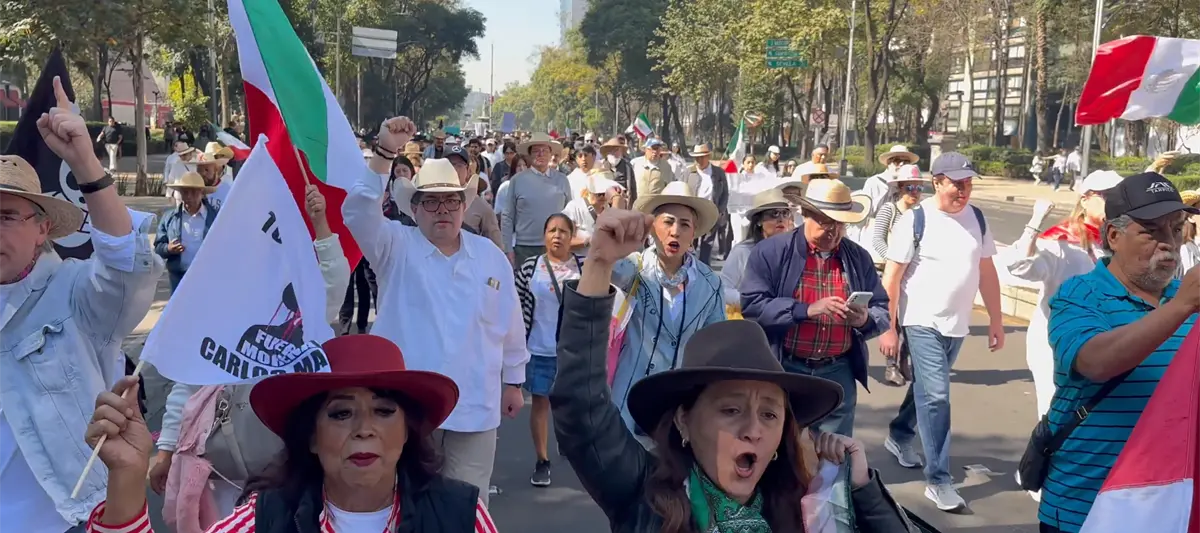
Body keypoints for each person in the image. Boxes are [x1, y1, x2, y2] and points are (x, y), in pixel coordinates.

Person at [550, 208, 911, 530]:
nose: (753, 430)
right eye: (731, 409)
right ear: (684, 421)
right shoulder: (646, 496)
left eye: (770, 414)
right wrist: (598, 264)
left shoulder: (807, 510)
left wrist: (862, 489)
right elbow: (581, 408)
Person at [82, 335, 500, 533]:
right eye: (340, 414)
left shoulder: (462, 516)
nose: (364, 429)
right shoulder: (265, 520)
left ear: (408, 432)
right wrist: (127, 476)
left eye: (384, 411)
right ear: (312, 438)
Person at [0, 76, 162, 531]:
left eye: (6, 216)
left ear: (43, 229)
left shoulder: (77, 295)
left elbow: (127, 265)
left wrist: (86, 162)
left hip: (67, 517)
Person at [343, 118, 528, 503]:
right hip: (409, 406)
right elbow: (358, 211)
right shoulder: (394, 245)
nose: (442, 209)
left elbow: (510, 323)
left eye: (451, 200)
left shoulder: (490, 258)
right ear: (414, 207)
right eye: (431, 200)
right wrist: (384, 151)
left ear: (464, 205)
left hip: (475, 402)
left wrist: (514, 380)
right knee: (404, 501)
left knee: (469, 505)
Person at [151, 185, 353, 521]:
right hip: (223, 476)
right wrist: (166, 449)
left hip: (291, 471)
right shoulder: (217, 311)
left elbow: (335, 278)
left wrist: (320, 225)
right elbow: (186, 388)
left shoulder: (306, 306)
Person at [1038, 172, 1200, 533]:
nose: (1169, 242)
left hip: (1165, 506)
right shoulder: (1079, 295)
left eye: (1176, 228)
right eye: (1152, 231)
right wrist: (1181, 307)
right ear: (1113, 235)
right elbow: (1095, 362)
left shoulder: (1186, 300)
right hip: (1086, 508)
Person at [878, 152, 1004, 512]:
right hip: (921, 320)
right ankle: (939, 480)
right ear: (937, 182)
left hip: (957, 323)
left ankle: (900, 434)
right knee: (937, 395)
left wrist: (995, 320)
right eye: (956, 184)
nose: (963, 191)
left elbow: (987, 272)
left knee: (926, 389)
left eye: (968, 183)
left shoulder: (976, 218)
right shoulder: (915, 220)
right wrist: (890, 329)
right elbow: (892, 279)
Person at [740, 179, 888, 438]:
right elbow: (753, 306)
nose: (834, 231)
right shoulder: (771, 252)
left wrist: (864, 320)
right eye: (825, 222)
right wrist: (805, 310)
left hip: (837, 370)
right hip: (785, 367)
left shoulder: (857, 257)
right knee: (781, 449)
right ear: (805, 215)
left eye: (840, 223)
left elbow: (882, 309)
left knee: (835, 457)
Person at [606, 182, 726, 447]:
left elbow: (717, 345)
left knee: (671, 479)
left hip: (679, 405)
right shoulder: (634, 268)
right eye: (668, 222)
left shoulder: (710, 283)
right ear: (652, 227)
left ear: (694, 232)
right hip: (629, 395)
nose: (675, 231)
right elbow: (607, 268)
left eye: (685, 224)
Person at [1004, 169, 1121, 427]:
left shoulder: (1116, 242)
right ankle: (1034, 469)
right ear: (1085, 199)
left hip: (1102, 342)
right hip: (1056, 345)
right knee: (1054, 420)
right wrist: (1034, 223)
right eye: (1105, 196)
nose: (1113, 202)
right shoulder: (1061, 241)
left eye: (1117, 196)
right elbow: (1021, 267)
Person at [514, 214, 584, 487]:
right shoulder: (531, 267)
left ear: (572, 236)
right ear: (544, 235)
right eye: (552, 230)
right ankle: (542, 460)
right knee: (541, 402)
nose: (557, 235)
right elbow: (517, 305)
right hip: (538, 349)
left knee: (569, 403)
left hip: (572, 351)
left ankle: (566, 440)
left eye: (563, 231)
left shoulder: (583, 267)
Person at [867, 164, 927, 386]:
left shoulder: (923, 214)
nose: (915, 192)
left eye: (919, 188)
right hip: (890, 272)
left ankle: (904, 360)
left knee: (911, 319)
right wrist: (894, 259)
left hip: (914, 275)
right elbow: (878, 240)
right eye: (910, 187)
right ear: (900, 188)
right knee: (891, 318)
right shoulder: (889, 210)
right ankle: (890, 365)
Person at [718, 188, 796, 319]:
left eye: (785, 213)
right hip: (750, 324)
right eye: (774, 214)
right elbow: (723, 290)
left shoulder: (796, 251)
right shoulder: (743, 251)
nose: (781, 219)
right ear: (759, 221)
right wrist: (754, 301)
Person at [501, 133, 572, 267]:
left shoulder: (562, 180)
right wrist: (507, 249)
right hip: (524, 248)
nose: (540, 154)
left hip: (556, 246)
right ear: (529, 155)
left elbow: (570, 215)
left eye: (544, 151)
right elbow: (507, 217)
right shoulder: (518, 180)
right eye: (536, 151)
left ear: (551, 154)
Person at [154, 172, 218, 293]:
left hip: (208, 278)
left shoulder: (216, 217)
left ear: (202, 193)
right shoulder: (170, 218)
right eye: (185, 192)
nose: (189, 196)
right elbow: (158, 248)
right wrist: (168, 248)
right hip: (179, 279)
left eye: (193, 192)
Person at [680, 143, 729, 266]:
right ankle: (689, 268)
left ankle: (704, 269)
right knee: (690, 243)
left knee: (707, 243)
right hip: (692, 213)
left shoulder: (718, 173)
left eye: (702, 157)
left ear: (708, 156)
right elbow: (681, 191)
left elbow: (725, 194)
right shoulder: (688, 172)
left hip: (711, 212)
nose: (699, 160)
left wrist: (720, 210)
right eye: (697, 157)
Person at [562, 170, 624, 257]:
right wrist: (588, 241)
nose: (602, 196)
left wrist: (617, 199)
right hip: (577, 263)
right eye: (598, 194)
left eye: (605, 193)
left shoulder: (609, 209)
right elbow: (563, 241)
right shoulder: (575, 207)